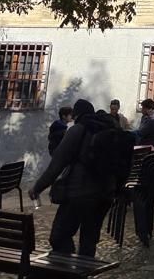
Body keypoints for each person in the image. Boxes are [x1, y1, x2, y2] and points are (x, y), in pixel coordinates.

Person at [29, 99, 119, 257]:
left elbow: (57, 164)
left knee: (59, 236)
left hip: (80, 193)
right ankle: (83, 271)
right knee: (89, 240)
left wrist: (37, 187)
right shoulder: (111, 129)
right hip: (105, 193)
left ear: (77, 114)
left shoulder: (79, 130)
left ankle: (65, 270)